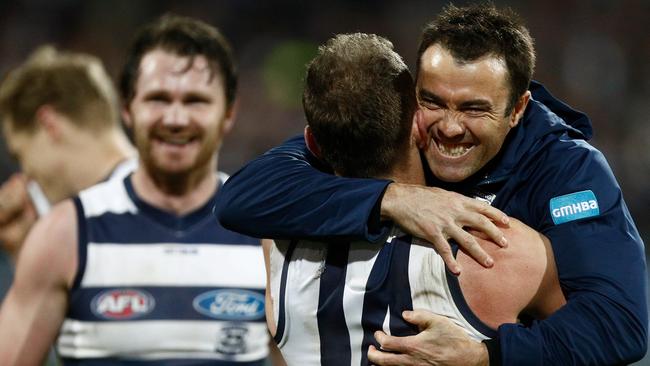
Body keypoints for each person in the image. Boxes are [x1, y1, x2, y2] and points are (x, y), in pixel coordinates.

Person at [214, 4, 647, 366]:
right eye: (433, 101)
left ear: (517, 109)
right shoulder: (402, 129)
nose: (450, 128)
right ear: (411, 95)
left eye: (474, 109)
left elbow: (619, 326)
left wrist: (486, 357)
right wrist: (393, 198)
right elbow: (242, 197)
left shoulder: (565, 171)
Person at [265, 32, 565, 366]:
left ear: (313, 143)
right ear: (419, 124)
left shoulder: (276, 245)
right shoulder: (497, 247)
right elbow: (587, 346)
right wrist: (484, 358)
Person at [0, 15, 271, 365]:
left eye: (195, 101)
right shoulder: (63, 235)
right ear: (127, 109)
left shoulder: (267, 235)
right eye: (158, 98)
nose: (176, 118)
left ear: (229, 113)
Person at [0, 46, 136, 297]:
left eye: (21, 154)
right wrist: (25, 254)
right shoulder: (94, 217)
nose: (25, 174)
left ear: (48, 125)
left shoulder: (137, 207)